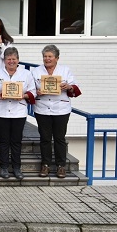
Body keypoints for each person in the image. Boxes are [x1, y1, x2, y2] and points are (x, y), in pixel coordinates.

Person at [31, 45, 81, 178]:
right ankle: (45, 164)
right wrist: (37, 92)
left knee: (59, 138)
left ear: (57, 58)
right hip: (42, 108)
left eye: (50, 56)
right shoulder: (36, 71)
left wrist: (68, 86)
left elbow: (75, 88)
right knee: (45, 138)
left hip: (61, 109)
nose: (47, 59)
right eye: (45, 56)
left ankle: (61, 166)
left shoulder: (65, 70)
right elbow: (30, 89)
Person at [0, 47, 36, 180]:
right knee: (3, 141)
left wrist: (23, 95)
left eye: (13, 59)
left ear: (18, 60)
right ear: (4, 60)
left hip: (18, 112)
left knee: (16, 141)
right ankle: (3, 167)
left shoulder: (26, 74)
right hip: (1, 111)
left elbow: (33, 92)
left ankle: (16, 167)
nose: (11, 61)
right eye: (8, 59)